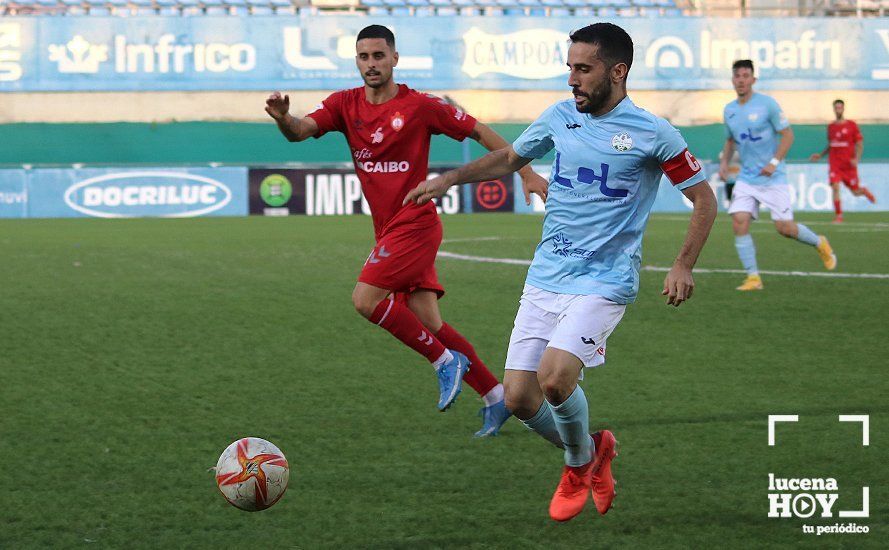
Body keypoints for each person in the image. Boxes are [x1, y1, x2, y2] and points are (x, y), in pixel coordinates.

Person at [405, 23, 717, 521]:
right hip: (546, 275)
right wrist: (450, 178)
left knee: (554, 379)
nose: (572, 79)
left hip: (605, 279)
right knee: (520, 398)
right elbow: (511, 157)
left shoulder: (654, 133)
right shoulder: (559, 117)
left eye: (583, 69)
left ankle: (578, 465)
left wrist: (683, 263)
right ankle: (597, 447)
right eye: (569, 67)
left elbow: (702, 198)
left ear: (617, 72)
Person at [264, 25, 548, 436]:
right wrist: (282, 118)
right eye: (364, 57)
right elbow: (300, 131)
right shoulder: (345, 105)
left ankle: (444, 362)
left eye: (379, 56)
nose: (371, 64)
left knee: (366, 299)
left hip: (415, 224)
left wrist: (525, 172)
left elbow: (480, 131)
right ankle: (495, 397)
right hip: (388, 230)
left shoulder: (420, 106)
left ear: (394, 59)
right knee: (429, 321)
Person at [718, 59, 836, 292]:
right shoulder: (729, 110)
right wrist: (724, 162)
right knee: (739, 222)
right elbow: (731, 140)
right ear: (733, 80)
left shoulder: (768, 104)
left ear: (753, 79)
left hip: (773, 178)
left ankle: (819, 242)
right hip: (747, 178)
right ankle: (753, 277)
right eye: (737, 76)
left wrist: (773, 162)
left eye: (745, 75)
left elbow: (788, 135)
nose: (741, 80)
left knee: (785, 228)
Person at [809, 99, 875, 223]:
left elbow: (859, 143)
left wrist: (857, 158)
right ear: (834, 109)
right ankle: (839, 215)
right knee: (835, 187)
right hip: (835, 163)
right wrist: (820, 155)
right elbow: (832, 144)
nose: (838, 109)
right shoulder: (831, 127)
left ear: (843, 109)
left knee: (855, 192)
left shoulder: (852, 125)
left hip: (848, 164)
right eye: (836, 107)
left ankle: (864, 191)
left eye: (840, 107)